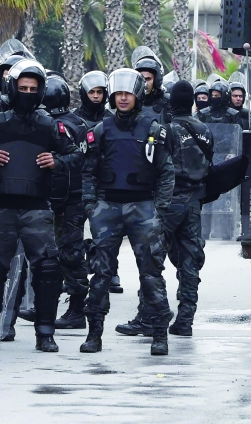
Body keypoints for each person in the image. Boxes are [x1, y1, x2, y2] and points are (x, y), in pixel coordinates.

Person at [0, 59, 79, 353]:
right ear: (12, 88)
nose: (28, 92)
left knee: (46, 270)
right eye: (23, 87)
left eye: (33, 88)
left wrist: (58, 161)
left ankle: (45, 333)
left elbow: (78, 155)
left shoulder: (50, 126)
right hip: (0, 206)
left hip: (37, 208)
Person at [81, 69, 174, 356]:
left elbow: (166, 172)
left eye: (128, 94)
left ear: (138, 96)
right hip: (107, 208)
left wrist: (159, 209)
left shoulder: (153, 128)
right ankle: (94, 334)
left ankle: (159, 334)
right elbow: (88, 172)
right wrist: (91, 206)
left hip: (143, 207)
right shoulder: (100, 130)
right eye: (118, 94)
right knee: (100, 274)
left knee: (151, 272)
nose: (123, 98)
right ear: (112, 96)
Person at [163, 81, 213, 336]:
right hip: (194, 202)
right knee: (189, 263)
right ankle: (185, 321)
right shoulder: (205, 129)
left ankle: (152, 316)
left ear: (171, 101)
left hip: (168, 202)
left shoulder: (166, 130)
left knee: (153, 260)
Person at [42, 74, 90, 329]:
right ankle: (48, 305)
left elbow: (75, 161)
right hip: (67, 199)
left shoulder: (55, 125)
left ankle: (76, 310)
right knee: (57, 254)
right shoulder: (78, 123)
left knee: (69, 254)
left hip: (66, 201)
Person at [73, 70, 124, 294]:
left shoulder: (111, 120)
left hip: (105, 182)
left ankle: (111, 271)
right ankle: (78, 273)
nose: (96, 96)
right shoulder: (73, 120)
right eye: (92, 92)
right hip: (77, 181)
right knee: (77, 233)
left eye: (100, 92)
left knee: (108, 231)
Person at [134, 49, 171, 125]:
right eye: (141, 79)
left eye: (148, 79)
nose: (144, 83)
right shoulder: (131, 103)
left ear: (157, 80)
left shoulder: (169, 103)